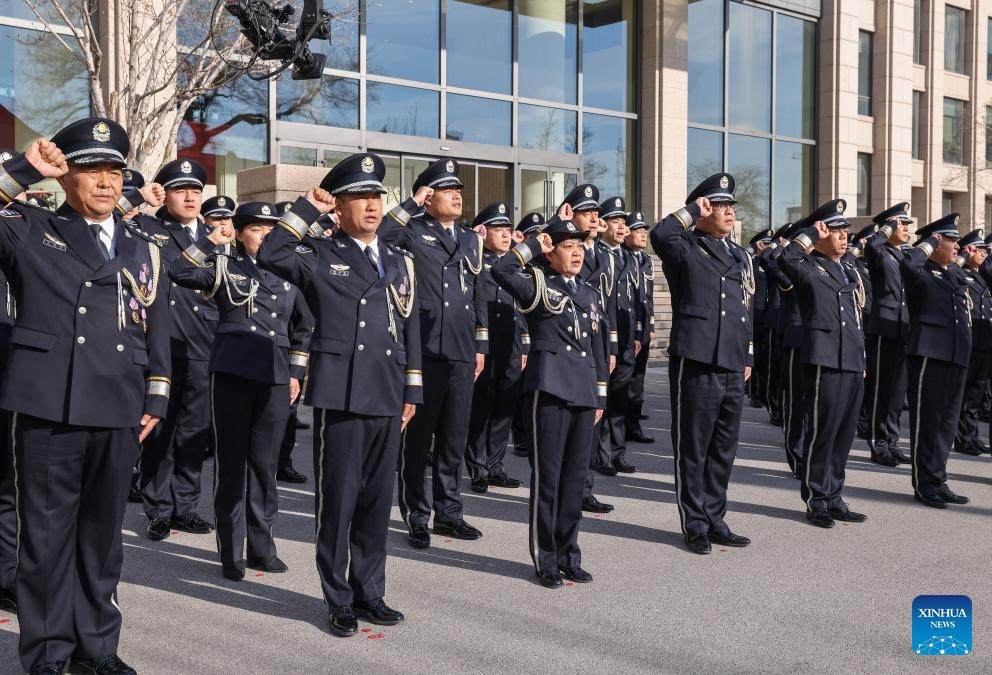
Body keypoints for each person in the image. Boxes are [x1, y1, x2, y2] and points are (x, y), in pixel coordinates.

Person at [0, 118, 170, 675]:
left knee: (102, 538)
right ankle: (47, 653)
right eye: (92, 168)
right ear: (66, 174)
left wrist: (158, 395)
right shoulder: (29, 228)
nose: (106, 180)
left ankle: (96, 646)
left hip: (119, 403)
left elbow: (156, 326)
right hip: (51, 402)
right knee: (46, 539)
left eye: (115, 170)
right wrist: (25, 170)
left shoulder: (144, 246)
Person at [259, 153, 420, 636]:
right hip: (345, 392)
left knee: (376, 501)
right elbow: (271, 253)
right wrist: (308, 208)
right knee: (340, 501)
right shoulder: (321, 254)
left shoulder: (399, 259)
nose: (372, 206)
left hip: (389, 390)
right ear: (340, 206)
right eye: (359, 198)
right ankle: (339, 597)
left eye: (376, 197)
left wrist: (412, 386)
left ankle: (371, 591)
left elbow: (409, 324)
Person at [170, 201, 313, 580]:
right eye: (256, 229)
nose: (265, 236)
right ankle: (231, 552)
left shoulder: (290, 276)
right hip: (232, 373)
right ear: (240, 233)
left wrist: (297, 371)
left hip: (275, 374)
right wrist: (208, 239)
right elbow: (180, 270)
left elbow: (305, 326)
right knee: (232, 465)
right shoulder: (223, 266)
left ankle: (262, 548)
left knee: (265, 467)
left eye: (271, 229)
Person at [491, 218, 607, 588]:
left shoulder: (589, 294)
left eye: (580, 247)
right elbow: (501, 268)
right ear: (551, 251)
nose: (576, 253)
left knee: (575, 480)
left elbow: (599, 347)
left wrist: (601, 392)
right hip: (552, 388)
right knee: (550, 479)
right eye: (567, 246)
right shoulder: (539, 285)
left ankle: (569, 553)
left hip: (585, 391)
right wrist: (532, 247)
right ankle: (547, 558)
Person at [379, 159, 488, 549]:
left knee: (454, 438)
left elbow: (478, 295)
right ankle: (416, 514)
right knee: (419, 438)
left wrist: (481, 344)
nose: (457, 195)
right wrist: (410, 204)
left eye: (458, 189)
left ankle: (450, 512)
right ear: (428, 196)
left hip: (461, 349)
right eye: (445, 189)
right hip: (423, 348)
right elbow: (382, 234)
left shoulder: (471, 238)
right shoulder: (412, 230)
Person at [650, 173, 753, 555]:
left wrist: (750, 354)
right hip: (697, 359)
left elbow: (746, 306)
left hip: (731, 359)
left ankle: (715, 517)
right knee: (694, 447)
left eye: (731, 205)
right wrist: (692, 211)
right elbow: (660, 235)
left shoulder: (740, 255)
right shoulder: (686, 248)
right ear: (704, 209)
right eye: (719, 205)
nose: (728, 211)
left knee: (724, 448)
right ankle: (694, 523)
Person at [128, 158, 217, 540]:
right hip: (161, 347)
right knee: (160, 432)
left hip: (203, 345)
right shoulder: (148, 228)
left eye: (196, 190)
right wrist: (137, 197)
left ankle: (186, 507)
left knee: (194, 434)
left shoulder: (216, 234)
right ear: (165, 194)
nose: (191, 197)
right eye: (182, 190)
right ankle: (158, 509)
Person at [777, 200, 869, 528]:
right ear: (821, 232)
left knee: (844, 434)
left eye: (846, 232)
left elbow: (857, 318)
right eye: (836, 231)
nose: (844, 237)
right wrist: (807, 234)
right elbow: (783, 258)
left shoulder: (849, 268)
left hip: (851, 360)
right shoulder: (808, 264)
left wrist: (861, 360)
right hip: (824, 359)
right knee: (823, 432)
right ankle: (816, 499)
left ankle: (834, 496)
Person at [901, 215, 972, 508]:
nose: (958, 245)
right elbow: (908, 263)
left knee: (946, 425)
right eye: (951, 239)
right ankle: (924, 483)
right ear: (936, 241)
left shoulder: (953, 274)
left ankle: (938, 479)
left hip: (956, 355)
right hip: (931, 355)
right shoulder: (922, 272)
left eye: (957, 239)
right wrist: (929, 241)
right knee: (927, 423)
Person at [465, 202, 526, 494]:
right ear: (483, 231)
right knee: (481, 409)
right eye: (497, 229)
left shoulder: (517, 267)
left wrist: (524, 345)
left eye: (507, 229)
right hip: (485, 348)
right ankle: (477, 468)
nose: (505, 234)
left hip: (512, 345)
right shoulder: (476, 259)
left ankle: (496, 466)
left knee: (504, 409)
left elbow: (524, 306)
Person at [592, 196, 640, 475]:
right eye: (616, 221)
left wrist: (637, 332)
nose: (622, 227)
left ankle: (618, 451)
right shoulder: (595, 252)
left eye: (624, 222)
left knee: (620, 396)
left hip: (625, 336)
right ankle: (601, 455)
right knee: (603, 396)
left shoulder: (628, 256)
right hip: (603, 335)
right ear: (603, 224)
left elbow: (635, 299)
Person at [864, 203, 914, 467]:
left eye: (907, 225)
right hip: (884, 327)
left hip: (904, 327)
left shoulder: (905, 254)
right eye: (901, 224)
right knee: (881, 388)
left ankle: (892, 441)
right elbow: (871, 246)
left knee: (897, 391)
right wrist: (886, 228)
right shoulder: (879, 251)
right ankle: (877, 442)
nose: (906, 229)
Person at [953, 229, 992, 456]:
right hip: (969, 341)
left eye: (983, 250)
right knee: (965, 392)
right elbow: (950, 271)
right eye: (977, 250)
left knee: (977, 394)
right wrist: (964, 257)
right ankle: (962, 438)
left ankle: (972, 435)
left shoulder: (984, 277)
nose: (982, 254)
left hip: (985, 343)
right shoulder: (961, 273)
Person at [624, 211, 656, 444]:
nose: (643, 233)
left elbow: (648, 297)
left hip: (643, 327)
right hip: (626, 327)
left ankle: (633, 422)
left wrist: (650, 325)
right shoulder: (622, 257)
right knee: (624, 379)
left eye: (644, 230)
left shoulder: (646, 260)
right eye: (638, 229)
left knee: (638, 378)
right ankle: (623, 424)